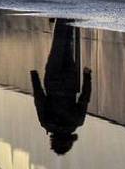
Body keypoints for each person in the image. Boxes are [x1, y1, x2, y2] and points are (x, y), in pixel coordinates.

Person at [31, 20, 93, 155]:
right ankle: (63, 17)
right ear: (53, 141)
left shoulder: (76, 122)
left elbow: (84, 99)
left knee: (67, 47)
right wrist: (34, 77)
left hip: (70, 83)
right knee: (58, 46)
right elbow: (39, 100)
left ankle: (69, 18)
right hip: (53, 82)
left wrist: (87, 76)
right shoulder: (47, 123)